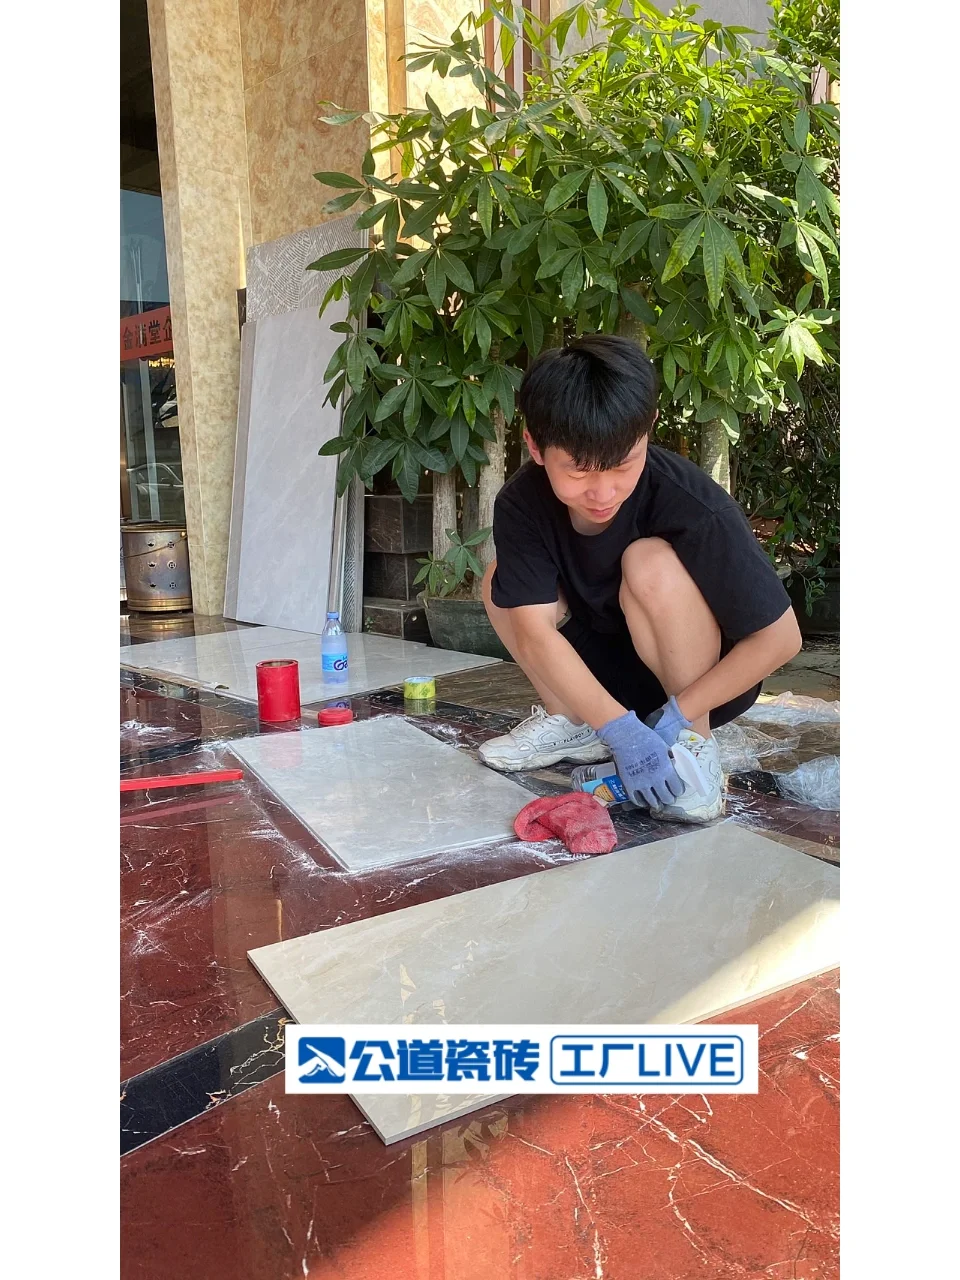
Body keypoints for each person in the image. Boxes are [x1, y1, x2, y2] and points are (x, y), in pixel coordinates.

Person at [479, 334, 802, 824]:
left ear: (648, 429)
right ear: (535, 447)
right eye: (579, 471)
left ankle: (694, 745)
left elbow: (781, 639)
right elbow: (534, 632)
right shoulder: (521, 505)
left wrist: (680, 714)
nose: (603, 492)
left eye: (622, 465)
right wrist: (619, 730)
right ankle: (575, 722)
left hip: (700, 685)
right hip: (601, 680)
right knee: (501, 581)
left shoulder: (692, 504)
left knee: (650, 561)